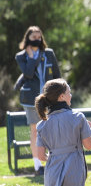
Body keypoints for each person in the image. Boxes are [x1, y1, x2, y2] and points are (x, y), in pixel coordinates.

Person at [14, 26, 61, 175]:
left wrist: (60, 94)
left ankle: (52, 161)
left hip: (49, 97)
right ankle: (37, 165)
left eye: (39, 37)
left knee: (50, 129)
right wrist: (33, 58)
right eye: (34, 37)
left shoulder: (49, 53)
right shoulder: (21, 56)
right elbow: (27, 74)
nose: (37, 40)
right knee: (35, 130)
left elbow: (57, 75)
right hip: (31, 99)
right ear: (28, 38)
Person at [35, 79, 91, 186]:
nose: (70, 95)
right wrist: (83, 131)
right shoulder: (78, 117)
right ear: (61, 96)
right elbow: (89, 145)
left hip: (52, 172)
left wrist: (55, 156)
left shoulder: (41, 125)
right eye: (69, 92)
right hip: (74, 170)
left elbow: (41, 156)